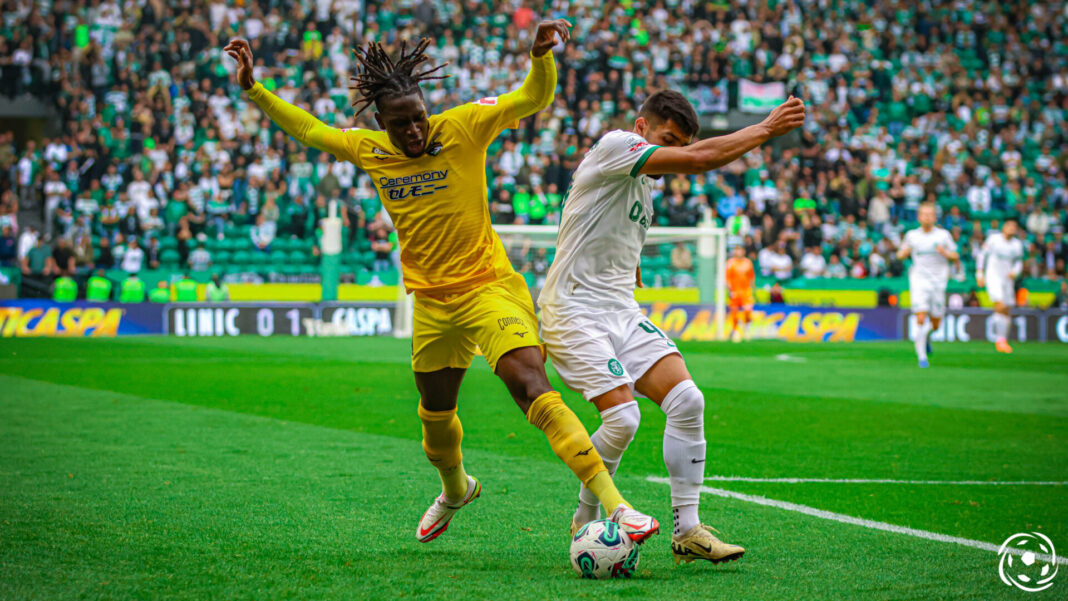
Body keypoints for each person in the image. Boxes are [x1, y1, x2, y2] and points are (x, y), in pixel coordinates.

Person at [225, 24, 659, 543]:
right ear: (380, 123)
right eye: (399, 125)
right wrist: (253, 88)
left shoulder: (463, 127)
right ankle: (456, 489)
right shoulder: (368, 151)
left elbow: (531, 97)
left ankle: (616, 507)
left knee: (530, 387)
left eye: (419, 119)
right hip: (431, 303)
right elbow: (309, 130)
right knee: (435, 418)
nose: (413, 132)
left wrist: (541, 57)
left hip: (489, 287)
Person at [538, 89, 805, 564]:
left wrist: (628, 264)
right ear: (642, 129)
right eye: (669, 140)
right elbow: (700, 160)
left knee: (687, 401)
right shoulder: (618, 144)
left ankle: (688, 530)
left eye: (682, 142)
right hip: (573, 307)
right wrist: (764, 129)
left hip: (620, 308)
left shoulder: (644, 185)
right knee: (623, 419)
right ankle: (586, 519)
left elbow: (609, 229)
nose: (677, 151)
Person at [896, 203, 958, 368]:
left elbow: (955, 254)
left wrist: (945, 253)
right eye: (924, 214)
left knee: (936, 323)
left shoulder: (943, 235)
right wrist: (904, 253)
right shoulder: (912, 235)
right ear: (919, 217)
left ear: (935, 217)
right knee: (921, 317)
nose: (927, 217)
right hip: (919, 279)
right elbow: (900, 253)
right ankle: (922, 357)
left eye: (930, 214)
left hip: (938, 281)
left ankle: (927, 337)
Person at [977, 219, 1024, 353]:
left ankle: (1003, 339)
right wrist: (979, 274)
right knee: (1000, 305)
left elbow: (1018, 262)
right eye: (1009, 226)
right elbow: (982, 255)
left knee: (1006, 310)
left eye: (1014, 227)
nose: (1011, 229)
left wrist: (1015, 272)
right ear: (1004, 227)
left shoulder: (1017, 245)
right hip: (993, 277)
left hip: (1007, 280)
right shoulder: (993, 239)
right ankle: (1000, 340)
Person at [725, 244, 756, 343]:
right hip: (735, 291)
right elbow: (728, 278)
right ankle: (735, 331)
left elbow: (751, 277)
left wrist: (753, 290)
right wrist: (730, 290)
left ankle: (746, 329)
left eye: (740, 250)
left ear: (744, 251)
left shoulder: (748, 262)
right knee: (734, 312)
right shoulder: (730, 263)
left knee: (748, 311)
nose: (738, 252)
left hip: (746, 291)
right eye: (737, 250)